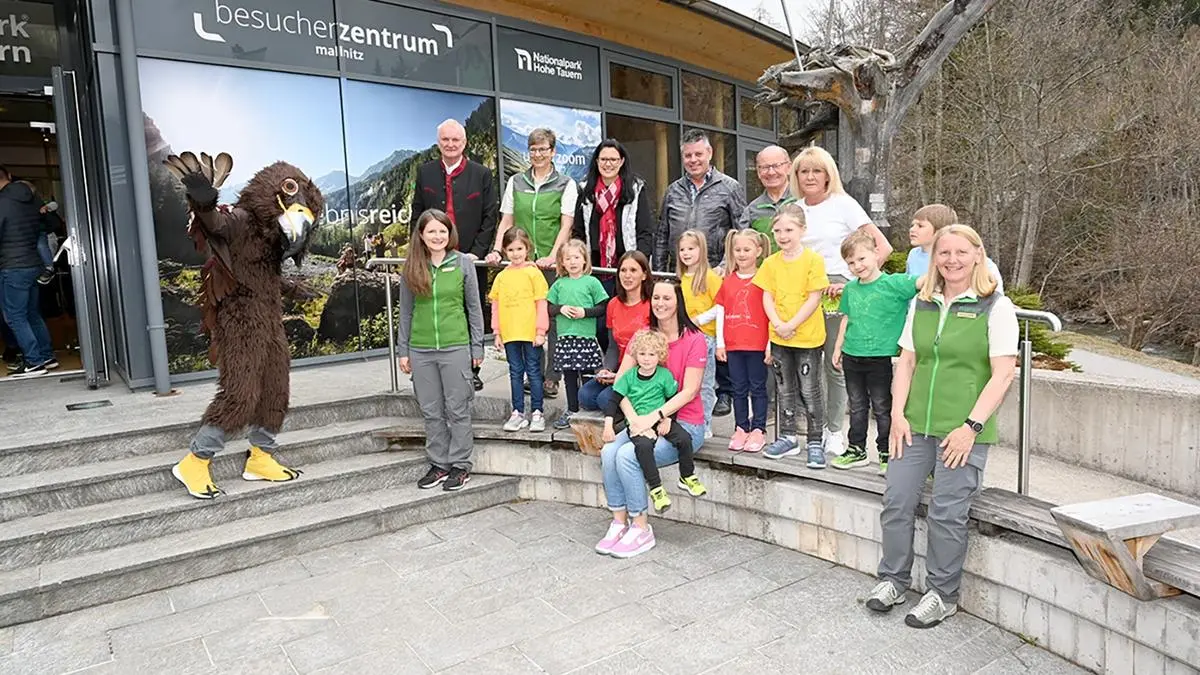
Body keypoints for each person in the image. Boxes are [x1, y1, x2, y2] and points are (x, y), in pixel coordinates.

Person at [866, 224, 1017, 629]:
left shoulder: (996, 306)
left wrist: (971, 427)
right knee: (896, 501)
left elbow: (1003, 374)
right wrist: (897, 415)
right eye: (944, 253)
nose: (952, 260)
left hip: (962, 430)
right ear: (934, 259)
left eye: (961, 252)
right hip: (914, 424)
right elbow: (907, 362)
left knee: (947, 513)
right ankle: (893, 580)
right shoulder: (923, 303)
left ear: (978, 255)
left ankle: (942, 595)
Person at [791, 146, 893, 458]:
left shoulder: (843, 204)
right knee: (806, 364)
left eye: (816, 171)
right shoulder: (794, 208)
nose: (810, 177)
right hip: (800, 291)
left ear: (828, 175)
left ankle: (835, 431)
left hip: (835, 289)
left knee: (834, 364)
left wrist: (853, 284)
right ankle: (815, 428)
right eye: (804, 171)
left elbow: (882, 247)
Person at [596, 279, 708, 559]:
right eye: (656, 298)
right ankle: (619, 521)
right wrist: (636, 419)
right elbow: (620, 383)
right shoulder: (643, 337)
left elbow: (690, 390)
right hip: (641, 420)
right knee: (609, 451)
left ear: (678, 302)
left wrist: (654, 417)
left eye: (667, 298)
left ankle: (641, 527)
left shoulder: (694, 339)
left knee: (627, 456)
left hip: (683, 424)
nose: (660, 303)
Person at [654, 128, 745, 417]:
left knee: (716, 331)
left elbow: (741, 229)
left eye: (698, 154)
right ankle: (684, 389)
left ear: (709, 153)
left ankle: (724, 391)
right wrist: (660, 275)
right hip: (681, 275)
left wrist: (729, 267)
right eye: (688, 155)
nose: (693, 160)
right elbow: (662, 232)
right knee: (686, 331)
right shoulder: (673, 190)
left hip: (715, 272)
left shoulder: (729, 187)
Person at [397, 210, 485, 492]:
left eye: (442, 231)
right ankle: (439, 464)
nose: (437, 236)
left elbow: (474, 308)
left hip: (455, 346)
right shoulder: (412, 267)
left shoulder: (463, 263)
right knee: (431, 411)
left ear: (450, 234)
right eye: (432, 231)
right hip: (421, 349)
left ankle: (460, 466)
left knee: (458, 409)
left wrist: (477, 345)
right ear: (421, 235)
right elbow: (406, 312)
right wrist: (403, 350)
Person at [487, 128, 577, 399]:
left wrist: (553, 255)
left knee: (553, 320)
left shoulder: (565, 183)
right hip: (523, 264)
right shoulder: (516, 182)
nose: (537, 154)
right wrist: (497, 250)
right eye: (533, 149)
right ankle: (534, 374)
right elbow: (507, 220)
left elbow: (566, 225)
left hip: (551, 264)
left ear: (553, 152)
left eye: (543, 149)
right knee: (527, 319)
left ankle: (552, 378)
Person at [411, 119, 497, 391]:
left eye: (455, 140)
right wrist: (419, 251)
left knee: (471, 311)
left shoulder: (481, 174)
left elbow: (489, 217)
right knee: (429, 307)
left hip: (470, 258)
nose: (450, 144)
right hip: (431, 258)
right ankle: (428, 366)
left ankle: (472, 369)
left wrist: (477, 253)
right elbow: (417, 214)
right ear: (438, 143)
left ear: (464, 142)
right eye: (445, 140)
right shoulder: (425, 172)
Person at [830, 231, 919, 473]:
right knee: (857, 405)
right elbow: (847, 318)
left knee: (882, 406)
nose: (857, 266)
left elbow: (924, 282)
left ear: (876, 253)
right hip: (852, 355)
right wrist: (838, 347)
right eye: (851, 262)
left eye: (861, 259)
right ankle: (856, 449)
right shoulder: (850, 288)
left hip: (880, 357)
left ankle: (886, 452)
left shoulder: (894, 284)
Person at [755, 204, 830, 467]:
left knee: (810, 389)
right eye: (778, 231)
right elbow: (767, 296)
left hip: (807, 337)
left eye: (789, 230)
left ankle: (815, 439)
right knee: (784, 388)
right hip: (779, 338)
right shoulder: (770, 263)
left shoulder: (813, 260)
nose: (783, 236)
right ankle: (788, 436)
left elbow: (814, 297)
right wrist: (778, 324)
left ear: (802, 230)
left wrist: (792, 324)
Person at [607, 329, 707, 513]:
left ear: (659, 356)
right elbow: (614, 398)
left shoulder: (664, 375)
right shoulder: (629, 377)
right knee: (638, 448)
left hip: (661, 419)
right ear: (635, 354)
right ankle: (655, 488)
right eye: (642, 354)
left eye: (651, 354)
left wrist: (667, 419)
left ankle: (687, 476)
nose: (646, 358)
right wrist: (610, 425)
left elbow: (672, 398)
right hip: (638, 422)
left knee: (684, 438)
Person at [715, 228, 772, 454]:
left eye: (746, 249)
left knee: (758, 388)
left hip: (757, 345)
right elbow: (721, 311)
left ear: (758, 251)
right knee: (738, 388)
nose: (741, 254)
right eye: (737, 249)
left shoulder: (765, 280)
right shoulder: (728, 281)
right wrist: (720, 343)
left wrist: (769, 344)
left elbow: (770, 313)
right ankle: (741, 427)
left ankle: (758, 428)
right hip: (734, 345)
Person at [490, 228, 550, 433]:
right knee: (515, 372)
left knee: (533, 371)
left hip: (530, 333)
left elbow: (541, 303)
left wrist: (541, 331)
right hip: (510, 333)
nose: (515, 254)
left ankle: (537, 412)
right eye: (510, 249)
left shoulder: (534, 273)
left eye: (519, 249)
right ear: (504, 251)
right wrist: (497, 332)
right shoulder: (501, 277)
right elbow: (496, 305)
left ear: (527, 249)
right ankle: (518, 412)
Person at [577, 251, 653, 413]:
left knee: (605, 400)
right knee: (585, 396)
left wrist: (622, 376)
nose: (627, 275)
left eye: (633, 270)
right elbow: (612, 346)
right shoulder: (613, 304)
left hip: (642, 370)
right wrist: (608, 370)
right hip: (618, 368)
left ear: (644, 275)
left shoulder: (652, 305)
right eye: (623, 270)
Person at [0, 167, 57, 377]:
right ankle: (46, 355)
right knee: (32, 313)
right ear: (9, 176)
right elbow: (44, 227)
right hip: (33, 262)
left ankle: (34, 361)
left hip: (13, 264)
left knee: (15, 316)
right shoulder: (32, 199)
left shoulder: (2, 202)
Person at [547, 239, 609, 430]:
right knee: (569, 377)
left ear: (584, 260)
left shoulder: (592, 282)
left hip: (586, 338)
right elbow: (549, 308)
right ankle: (572, 409)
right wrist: (561, 308)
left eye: (576, 257)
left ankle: (587, 410)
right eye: (568, 258)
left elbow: (602, 307)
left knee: (587, 374)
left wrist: (585, 312)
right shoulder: (559, 284)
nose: (572, 262)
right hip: (565, 338)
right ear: (562, 262)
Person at [573, 139, 655, 284]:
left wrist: (638, 265)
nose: (608, 164)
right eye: (604, 159)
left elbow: (645, 232)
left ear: (621, 161)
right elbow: (578, 232)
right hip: (593, 269)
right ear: (597, 161)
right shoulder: (585, 190)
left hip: (628, 269)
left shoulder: (636, 189)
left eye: (613, 160)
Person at [676, 230, 722, 439]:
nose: (686, 253)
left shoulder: (710, 277)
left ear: (701, 250)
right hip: (685, 336)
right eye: (682, 249)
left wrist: (699, 320)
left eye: (691, 248)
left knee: (704, 384)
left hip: (704, 336)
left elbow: (721, 306)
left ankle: (705, 424)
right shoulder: (682, 279)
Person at [906, 204, 1004, 292]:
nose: (912, 229)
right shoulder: (914, 255)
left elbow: (995, 295)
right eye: (912, 225)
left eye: (920, 226)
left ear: (940, 230)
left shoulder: (981, 262)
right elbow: (908, 287)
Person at [739, 145, 796, 253]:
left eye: (776, 166)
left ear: (789, 167)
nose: (771, 172)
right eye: (765, 167)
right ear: (758, 172)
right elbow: (740, 245)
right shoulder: (752, 210)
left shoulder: (802, 200)